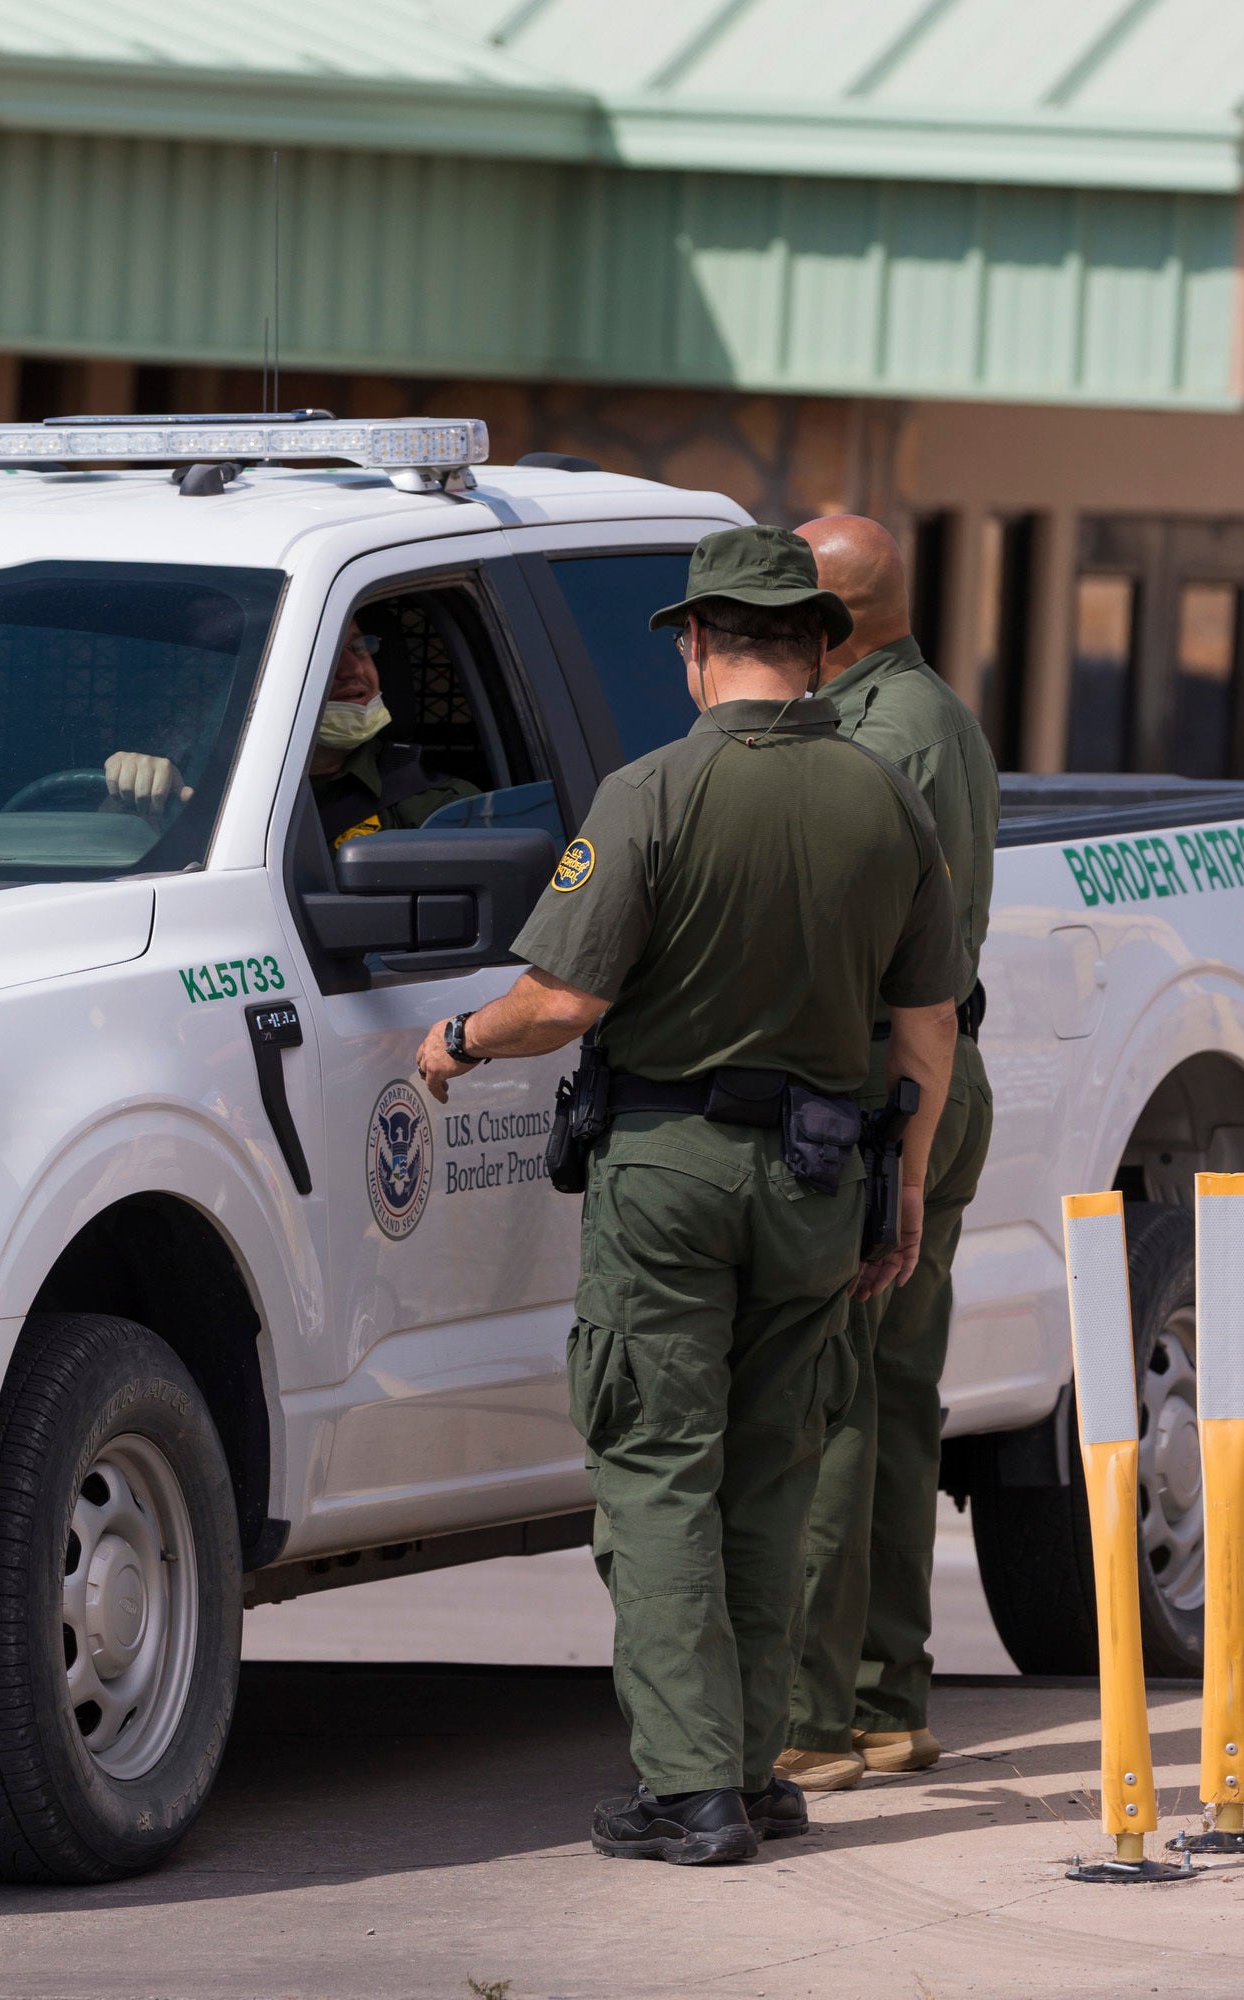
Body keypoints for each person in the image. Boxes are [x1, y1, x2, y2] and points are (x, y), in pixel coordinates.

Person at [413, 525, 962, 1866]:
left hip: (668, 1173)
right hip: (825, 1173)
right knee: (771, 1473)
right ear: (819, 646)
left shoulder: (649, 794)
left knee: (658, 1469)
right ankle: (761, 1770)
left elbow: (567, 1000)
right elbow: (928, 1031)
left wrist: (458, 1044)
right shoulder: (885, 798)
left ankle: (690, 1793)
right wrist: (904, 1191)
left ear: (702, 644)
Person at [775, 515, 1000, 1792]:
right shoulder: (941, 712)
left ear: (833, 622)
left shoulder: (873, 734)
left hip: (879, 1081)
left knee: (834, 1396)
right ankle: (885, 1701)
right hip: (943, 1071)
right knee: (898, 1397)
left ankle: (811, 1717)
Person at [104, 613, 475, 841]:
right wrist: (129, 800)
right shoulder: (201, 786)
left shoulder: (435, 803)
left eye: (359, 648)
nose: (354, 671)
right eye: (326, 654)